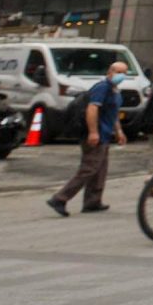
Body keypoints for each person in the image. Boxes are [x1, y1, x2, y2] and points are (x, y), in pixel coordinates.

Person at [46, 59, 128, 216]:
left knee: (100, 169)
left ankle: (93, 201)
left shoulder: (115, 91)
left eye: (124, 73)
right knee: (89, 168)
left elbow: (113, 113)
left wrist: (119, 131)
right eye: (118, 72)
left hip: (105, 135)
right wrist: (93, 132)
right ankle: (60, 198)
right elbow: (92, 109)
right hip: (95, 135)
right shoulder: (102, 88)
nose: (121, 75)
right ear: (109, 72)